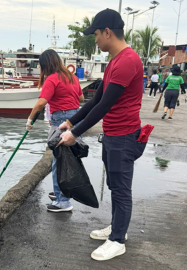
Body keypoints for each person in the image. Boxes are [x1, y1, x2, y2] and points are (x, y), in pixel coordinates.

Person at [57, 8, 144, 261]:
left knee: (120, 189)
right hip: (113, 134)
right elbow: (96, 101)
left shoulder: (128, 61)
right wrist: (71, 121)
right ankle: (118, 228)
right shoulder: (115, 61)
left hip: (124, 136)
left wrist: (75, 133)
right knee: (115, 185)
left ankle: (118, 240)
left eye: (95, 34)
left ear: (107, 32)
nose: (94, 39)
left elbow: (105, 105)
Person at [26, 49, 84, 213]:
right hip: (75, 120)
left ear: (45, 65)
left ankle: (63, 202)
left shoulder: (52, 79)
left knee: (59, 163)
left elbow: (40, 104)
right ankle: (60, 193)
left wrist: (29, 120)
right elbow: (80, 98)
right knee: (67, 161)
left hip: (61, 122)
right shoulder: (72, 77)